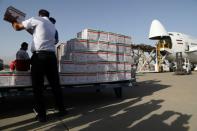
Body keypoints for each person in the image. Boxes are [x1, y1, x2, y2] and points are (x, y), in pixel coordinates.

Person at [9, 9, 66, 122]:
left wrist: (12, 20)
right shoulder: (52, 26)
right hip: (51, 57)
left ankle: (42, 115)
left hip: (40, 57)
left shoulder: (36, 19)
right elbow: (52, 40)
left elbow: (17, 27)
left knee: (38, 87)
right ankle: (62, 110)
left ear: (39, 15)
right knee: (55, 85)